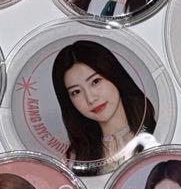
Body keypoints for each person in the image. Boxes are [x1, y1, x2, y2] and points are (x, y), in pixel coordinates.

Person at [50, 40, 157, 168]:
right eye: (76, 92)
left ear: (114, 75)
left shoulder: (158, 129)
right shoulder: (73, 160)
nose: (90, 98)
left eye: (95, 81)